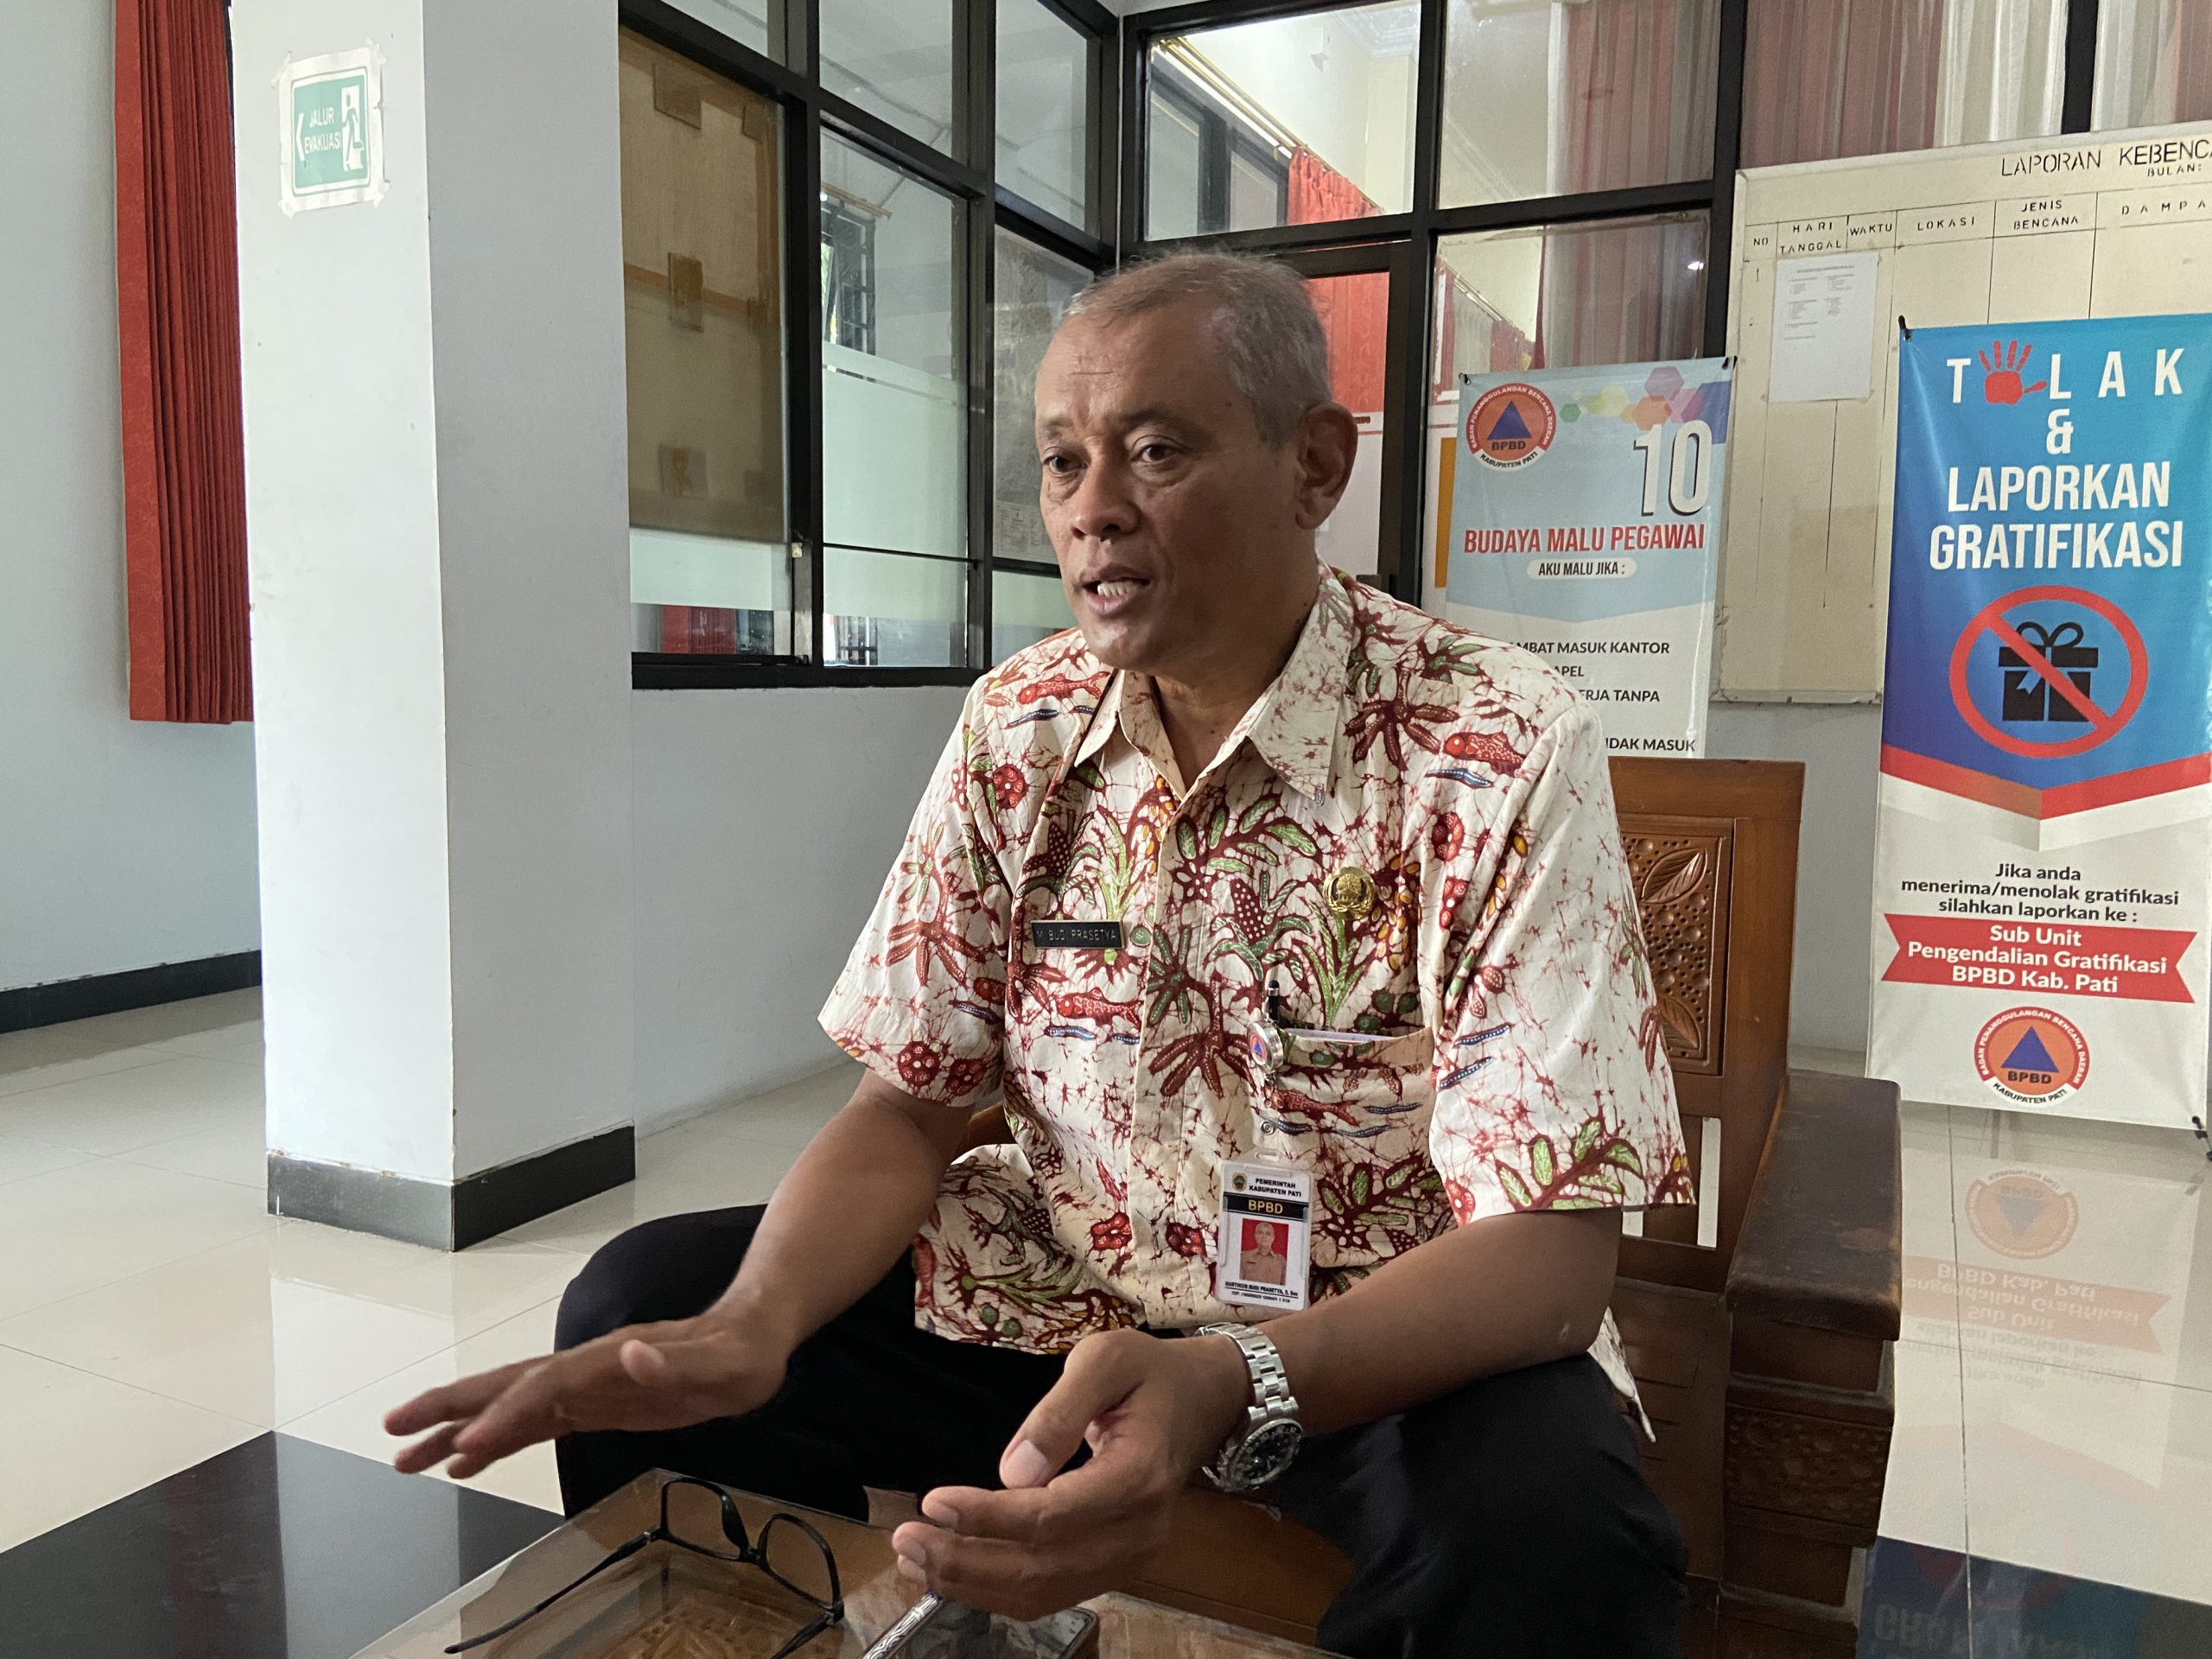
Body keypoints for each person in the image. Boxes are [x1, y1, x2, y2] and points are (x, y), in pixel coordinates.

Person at [385, 251, 1693, 1657]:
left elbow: (1551, 1256)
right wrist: (754, 1320)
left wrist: (1225, 1380)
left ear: (1315, 465)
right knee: (653, 1309)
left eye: (1157, 451)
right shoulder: (1019, 728)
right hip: (1056, 1290)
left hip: (1375, 1332)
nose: (1092, 510)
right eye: (1064, 462)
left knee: (1560, 1543)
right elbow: (910, 1103)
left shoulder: (1492, 743)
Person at [1239, 1220, 1288, 1287]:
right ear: (1255, 1236)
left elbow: (1285, 1288)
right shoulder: (1244, 1257)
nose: (1264, 1236)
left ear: (1273, 1238)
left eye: (1268, 1234)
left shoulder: (1281, 1261)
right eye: (1260, 1233)